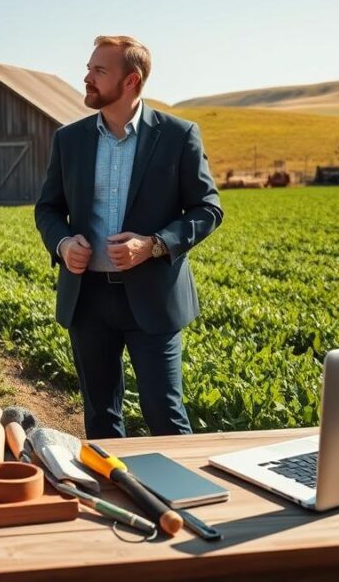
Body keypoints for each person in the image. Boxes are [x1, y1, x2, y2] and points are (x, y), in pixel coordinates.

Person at [34, 35, 223, 439]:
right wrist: (63, 244)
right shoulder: (69, 139)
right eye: (89, 68)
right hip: (88, 300)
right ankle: (113, 498)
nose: (87, 77)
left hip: (154, 297)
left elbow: (209, 209)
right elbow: (48, 209)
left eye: (99, 71)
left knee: (165, 414)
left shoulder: (178, 135)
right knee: (101, 417)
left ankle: (185, 500)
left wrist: (153, 244)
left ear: (131, 81)